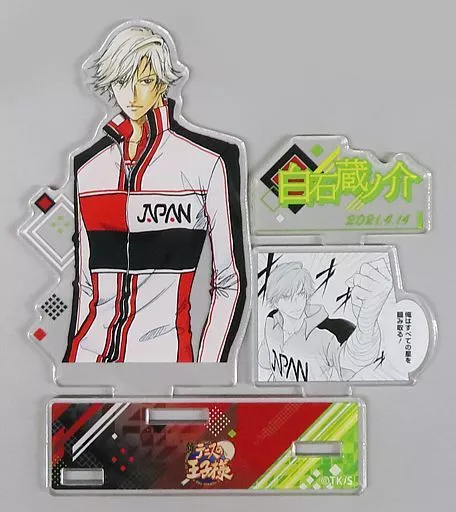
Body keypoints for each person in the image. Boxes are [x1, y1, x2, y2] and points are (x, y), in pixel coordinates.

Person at [63, 24, 247, 363]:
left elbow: (229, 282)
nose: (132, 95)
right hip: (86, 359)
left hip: (166, 359)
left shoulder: (205, 163)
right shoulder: (89, 169)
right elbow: (86, 284)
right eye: (121, 82)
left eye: (145, 81)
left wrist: (208, 371)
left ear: (162, 82)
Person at [259, 258, 393, 381]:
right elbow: (264, 359)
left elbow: (351, 362)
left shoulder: (326, 335)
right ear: (275, 301)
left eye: (300, 294)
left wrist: (366, 322)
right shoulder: (272, 323)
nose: (296, 302)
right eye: (286, 296)